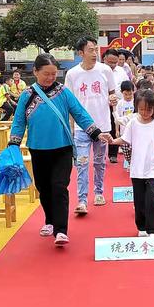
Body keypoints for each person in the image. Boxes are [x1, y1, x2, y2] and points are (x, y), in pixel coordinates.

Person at [9, 54, 112, 246]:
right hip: (38, 149)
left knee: (59, 186)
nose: (50, 78)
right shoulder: (27, 95)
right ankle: (49, 220)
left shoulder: (63, 92)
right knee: (44, 188)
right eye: (46, 74)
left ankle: (61, 230)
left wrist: (96, 133)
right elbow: (19, 122)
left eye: (54, 74)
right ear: (35, 72)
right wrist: (13, 144)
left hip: (63, 148)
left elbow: (80, 113)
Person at [111, 89, 154, 237]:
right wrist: (113, 141)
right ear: (136, 107)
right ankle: (141, 227)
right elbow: (125, 139)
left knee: (152, 198)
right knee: (139, 200)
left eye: (148, 109)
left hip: (153, 168)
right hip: (137, 168)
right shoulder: (133, 123)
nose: (145, 112)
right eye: (141, 109)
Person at [65, 36, 117, 215]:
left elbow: (112, 93)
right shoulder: (72, 74)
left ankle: (99, 192)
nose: (95, 53)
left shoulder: (105, 70)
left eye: (96, 49)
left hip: (102, 125)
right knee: (82, 163)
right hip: (81, 128)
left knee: (99, 162)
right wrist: (71, 128)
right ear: (81, 53)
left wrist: (113, 99)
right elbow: (69, 103)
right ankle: (81, 200)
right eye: (90, 50)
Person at [103, 48, 129, 163]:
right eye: (110, 62)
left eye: (115, 62)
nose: (113, 65)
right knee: (103, 128)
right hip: (102, 105)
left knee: (114, 127)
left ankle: (113, 154)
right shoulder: (99, 71)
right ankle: (101, 153)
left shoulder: (121, 71)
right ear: (104, 59)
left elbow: (126, 86)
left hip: (117, 105)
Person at [113, 80, 135, 164]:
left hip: (134, 129)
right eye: (126, 94)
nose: (128, 96)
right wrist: (117, 130)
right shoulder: (120, 104)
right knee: (125, 150)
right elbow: (117, 118)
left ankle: (133, 164)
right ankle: (129, 161)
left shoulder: (135, 102)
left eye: (130, 94)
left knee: (134, 148)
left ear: (133, 92)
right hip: (124, 130)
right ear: (122, 92)